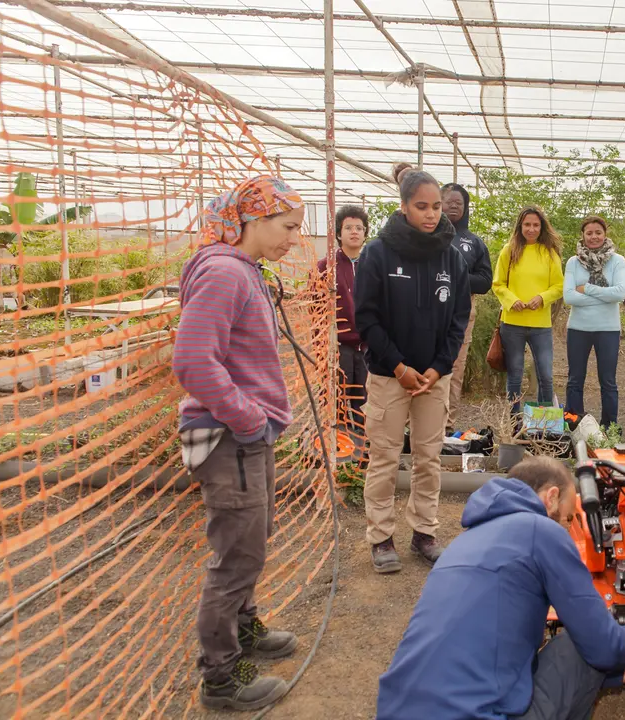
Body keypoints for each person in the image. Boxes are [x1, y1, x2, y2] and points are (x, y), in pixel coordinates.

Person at [375, 456, 625, 720]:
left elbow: (494, 651)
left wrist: (608, 675)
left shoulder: (462, 544)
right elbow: (603, 646)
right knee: (575, 644)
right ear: (551, 497)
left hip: (395, 710)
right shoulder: (542, 530)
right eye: (568, 518)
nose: (567, 528)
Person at [173, 175, 303, 711]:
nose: (295, 238)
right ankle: (221, 678)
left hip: (248, 434)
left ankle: (245, 629)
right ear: (252, 219)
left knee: (253, 539)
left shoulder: (243, 269)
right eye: (287, 226)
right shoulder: (226, 273)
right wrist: (247, 418)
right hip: (233, 436)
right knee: (236, 556)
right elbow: (192, 362)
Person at [353, 169, 471, 573]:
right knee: (384, 458)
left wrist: (439, 370)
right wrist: (399, 367)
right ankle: (381, 537)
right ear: (403, 207)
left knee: (428, 458)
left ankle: (424, 532)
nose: (432, 214)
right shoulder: (377, 254)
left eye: (437, 206)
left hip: (433, 381)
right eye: (422, 206)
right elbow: (366, 320)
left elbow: (459, 319)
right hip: (390, 377)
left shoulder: (451, 256)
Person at [492, 206, 563, 409]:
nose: (531, 229)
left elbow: (558, 286)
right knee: (514, 375)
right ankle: (514, 425)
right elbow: (498, 284)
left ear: (542, 227)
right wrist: (511, 299)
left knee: (546, 376)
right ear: (520, 226)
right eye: (527, 225)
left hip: (541, 325)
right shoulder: (509, 250)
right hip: (512, 324)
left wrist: (542, 298)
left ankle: (544, 425)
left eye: (535, 225)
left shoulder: (549, 253)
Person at [562, 216, 625, 430]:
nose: (593, 237)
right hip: (578, 329)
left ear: (605, 234)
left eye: (598, 232)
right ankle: (575, 424)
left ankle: (609, 428)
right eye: (589, 233)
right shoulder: (573, 262)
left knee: (608, 381)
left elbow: (619, 293)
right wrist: (603, 296)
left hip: (608, 329)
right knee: (574, 379)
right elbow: (569, 297)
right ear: (583, 235)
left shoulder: (617, 261)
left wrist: (587, 288)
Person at [442, 182, 493, 432]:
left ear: (465, 207)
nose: (453, 206)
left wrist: (455, 276)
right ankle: (415, 427)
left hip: (462, 314)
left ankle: (448, 427)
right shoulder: (426, 237)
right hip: (425, 314)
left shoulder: (474, 242)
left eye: (458, 203)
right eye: (448, 201)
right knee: (423, 365)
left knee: (455, 370)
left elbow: (485, 282)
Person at [315, 204, 369, 436]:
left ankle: (363, 450)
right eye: (348, 227)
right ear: (338, 233)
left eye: (359, 227)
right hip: (338, 345)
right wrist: (322, 347)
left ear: (366, 233)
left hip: (368, 346)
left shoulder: (372, 264)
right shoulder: (326, 267)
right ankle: (337, 449)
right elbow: (316, 310)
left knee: (365, 402)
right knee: (335, 399)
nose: (354, 232)